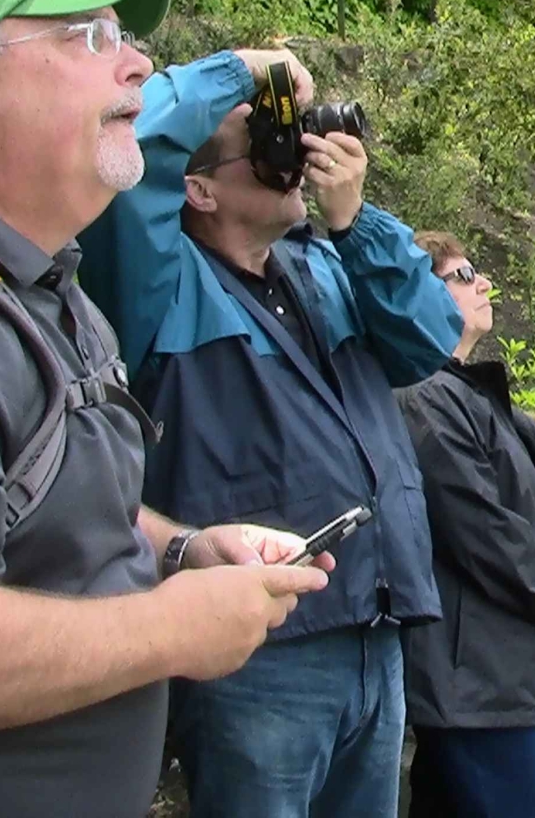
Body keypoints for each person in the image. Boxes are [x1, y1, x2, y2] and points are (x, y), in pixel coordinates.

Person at [0, 0, 329, 818]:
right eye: (89, 36)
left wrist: (182, 548)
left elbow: (50, 504)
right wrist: (169, 628)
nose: (138, 62)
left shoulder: (52, 289)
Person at [76, 42, 464, 817]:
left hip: (373, 620)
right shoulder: (159, 286)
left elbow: (430, 338)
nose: (286, 153)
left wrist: (354, 222)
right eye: (260, 144)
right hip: (259, 648)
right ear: (198, 190)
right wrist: (250, 69)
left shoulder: (323, 267)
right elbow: (138, 140)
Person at [397, 232, 535, 818]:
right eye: (462, 277)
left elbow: (528, 515)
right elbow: (482, 529)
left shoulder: (466, 394)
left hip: (489, 666)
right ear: (417, 294)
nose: (485, 282)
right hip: (475, 674)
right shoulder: (424, 397)